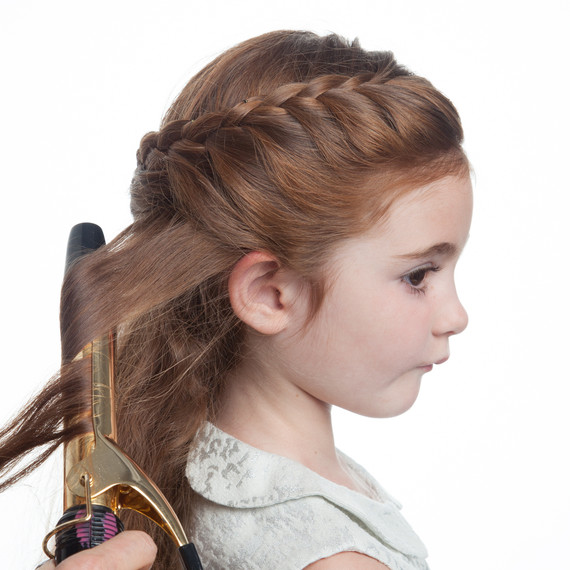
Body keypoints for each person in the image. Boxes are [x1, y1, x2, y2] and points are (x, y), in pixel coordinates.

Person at [1, 30, 472, 569]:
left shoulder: (188, 468)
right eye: (418, 275)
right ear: (270, 293)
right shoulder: (334, 556)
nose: (456, 316)